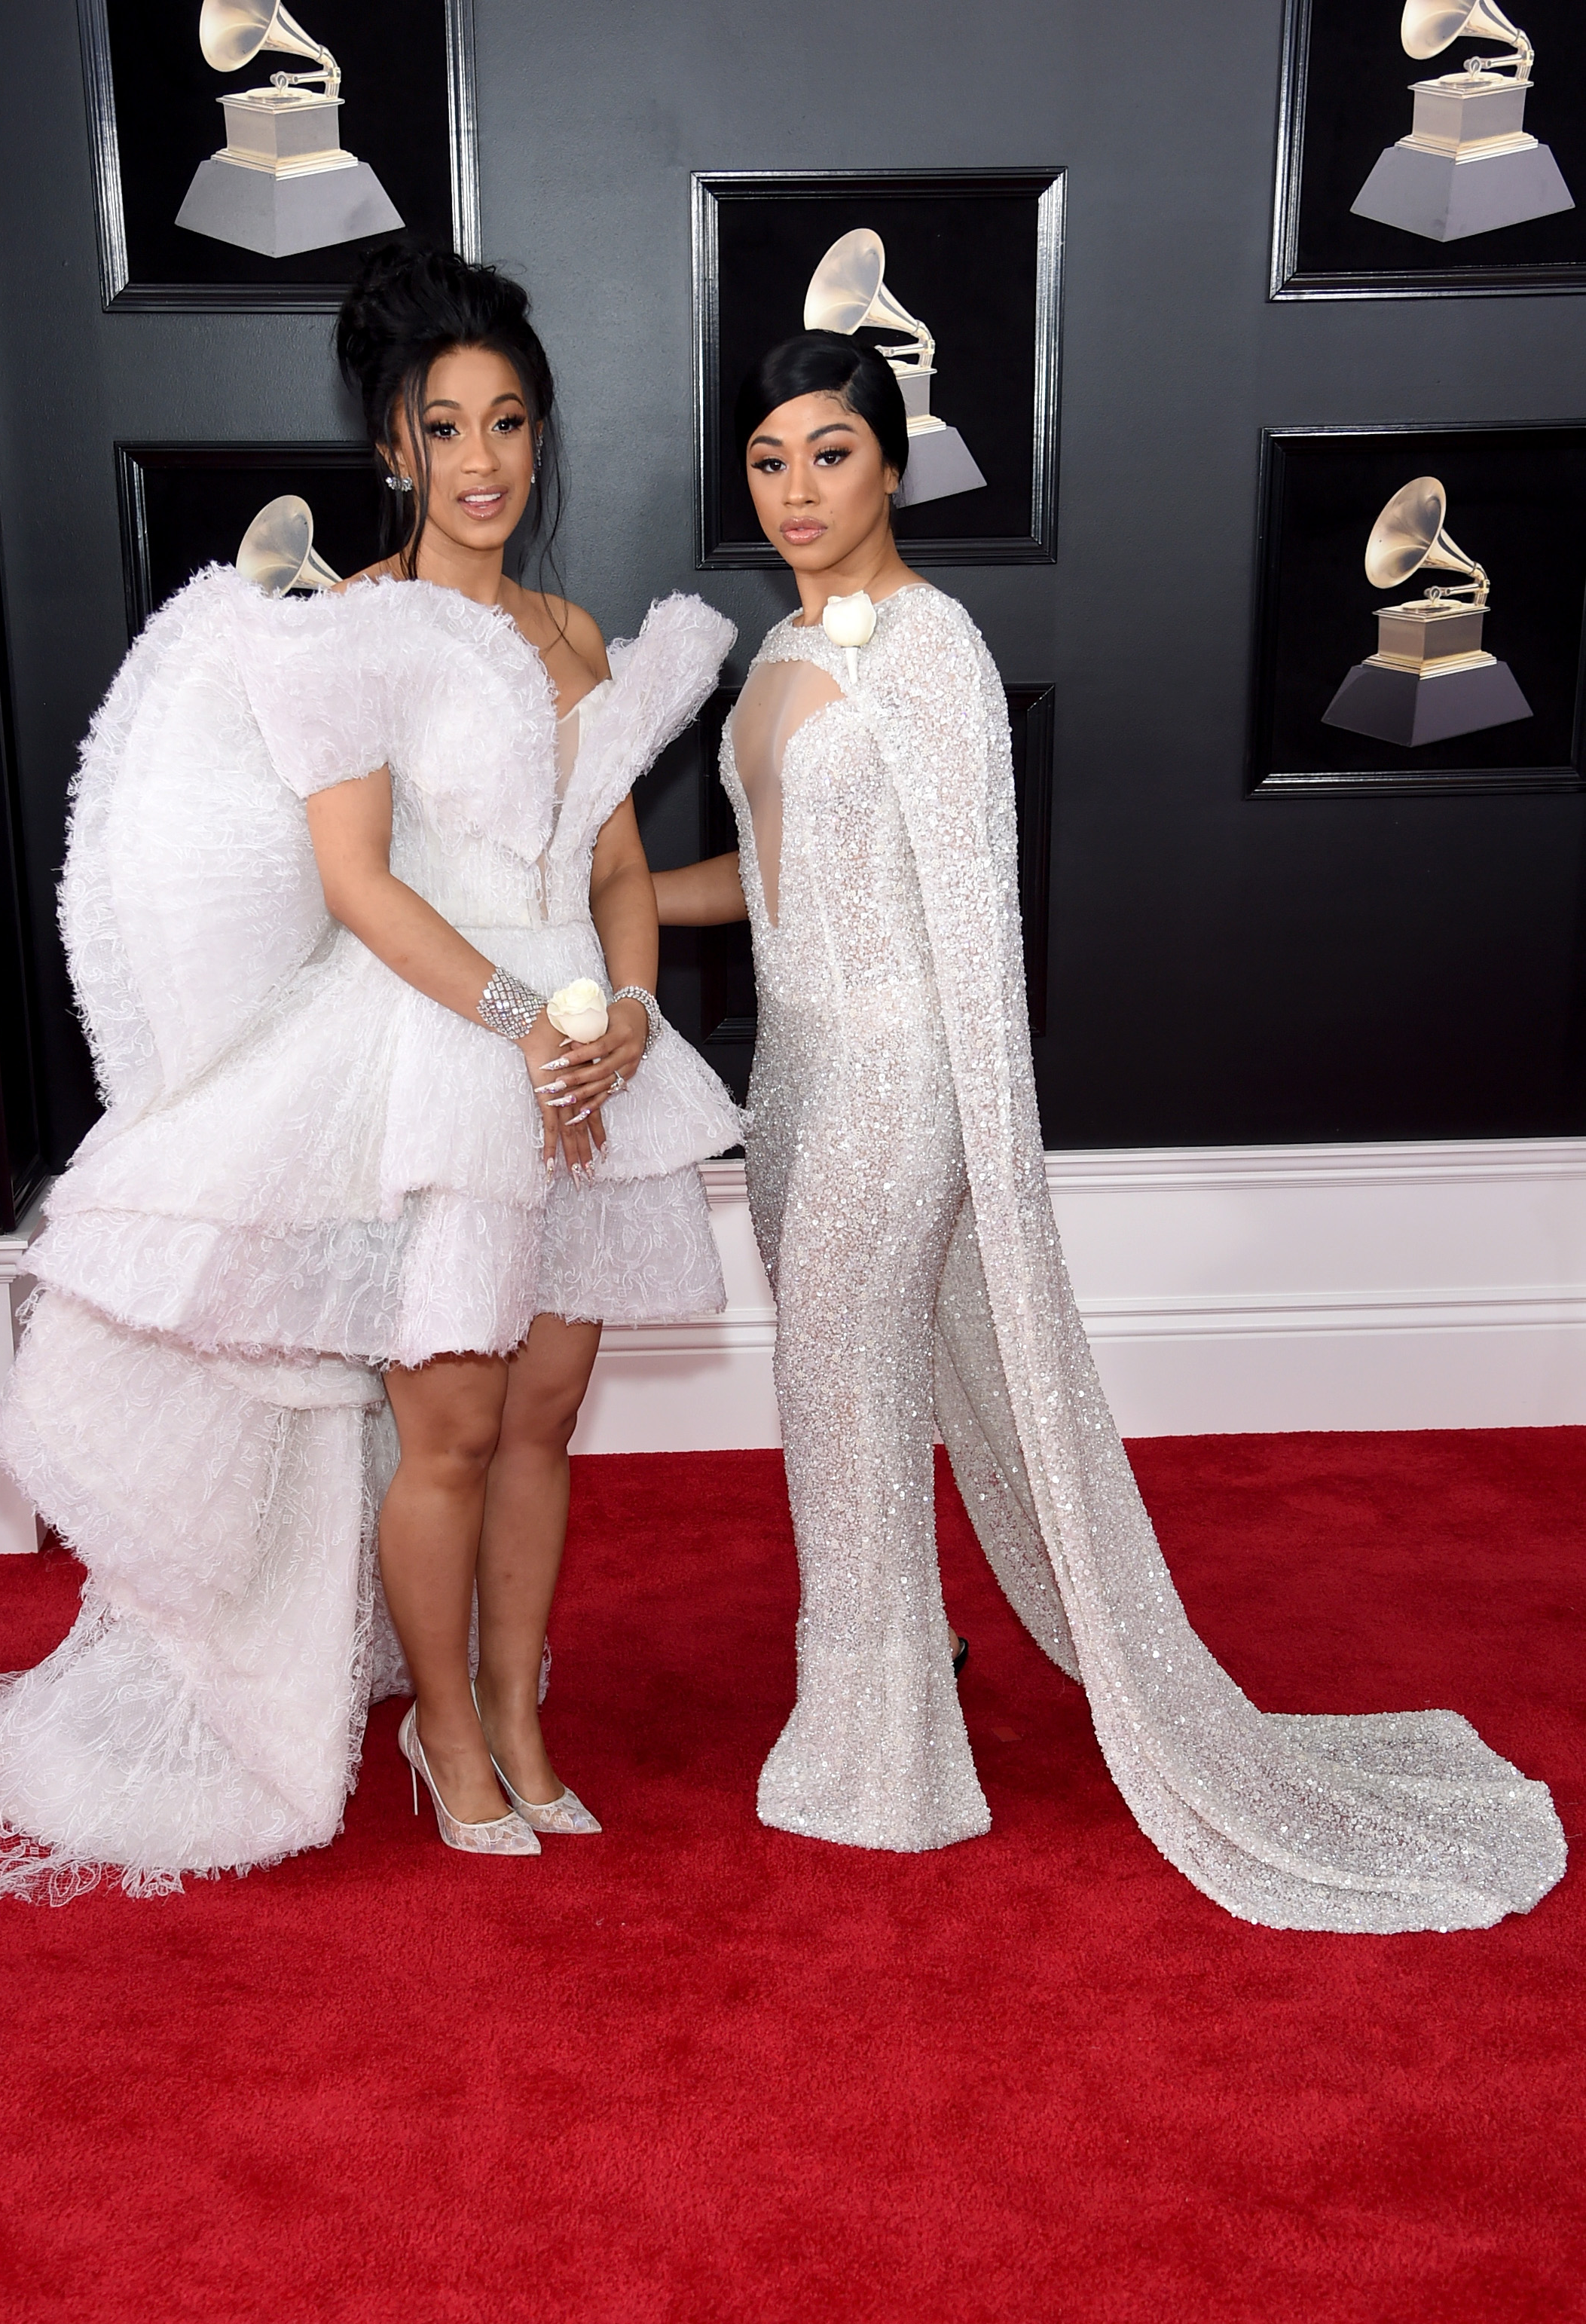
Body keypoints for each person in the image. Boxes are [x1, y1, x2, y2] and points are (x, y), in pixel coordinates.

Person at [652, 327, 1565, 1930]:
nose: (797, 490)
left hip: (901, 1085)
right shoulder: (769, 659)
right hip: (792, 1084)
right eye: (768, 460)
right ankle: (888, 1679)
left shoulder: (930, 654)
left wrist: (980, 1147)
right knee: (835, 1403)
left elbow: (976, 926)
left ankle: (885, 1761)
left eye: (831, 454)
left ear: (893, 463)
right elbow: (776, 888)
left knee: (846, 1407)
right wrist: (615, 904)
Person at [0, 243, 740, 1897]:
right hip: (433, 1045)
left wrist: (622, 1010)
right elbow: (357, 883)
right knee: (456, 1426)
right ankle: (445, 1738)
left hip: (583, 1058)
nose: (482, 459)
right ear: (393, 448)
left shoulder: (568, 633)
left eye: (508, 423)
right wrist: (521, 1028)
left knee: (549, 1411)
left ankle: (514, 1708)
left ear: (539, 440)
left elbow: (617, 863)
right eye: (445, 426)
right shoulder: (350, 627)